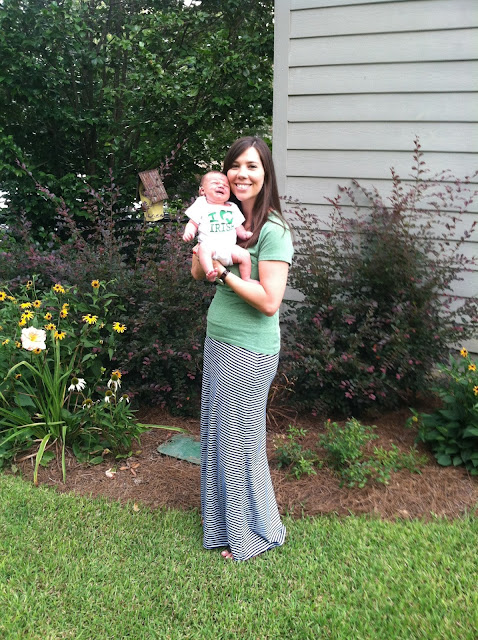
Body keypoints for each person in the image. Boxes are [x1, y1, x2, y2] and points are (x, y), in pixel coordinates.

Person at [191, 136, 294, 561]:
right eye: (235, 166)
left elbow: (269, 302)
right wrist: (201, 245)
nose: (241, 174)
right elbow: (196, 273)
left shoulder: (273, 230)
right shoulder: (223, 217)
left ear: (265, 173)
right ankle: (222, 526)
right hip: (219, 339)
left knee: (240, 443)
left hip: (249, 349)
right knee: (218, 435)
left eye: (251, 166)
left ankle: (253, 536)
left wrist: (224, 275)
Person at [183, 171, 254, 282]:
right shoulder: (201, 204)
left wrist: (244, 234)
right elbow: (192, 223)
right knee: (203, 248)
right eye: (215, 183)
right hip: (211, 247)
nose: (221, 185)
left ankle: (246, 278)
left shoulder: (232, 207)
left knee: (245, 255)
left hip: (229, 248)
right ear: (202, 191)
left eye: (226, 185)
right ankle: (210, 272)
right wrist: (189, 232)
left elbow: (238, 226)